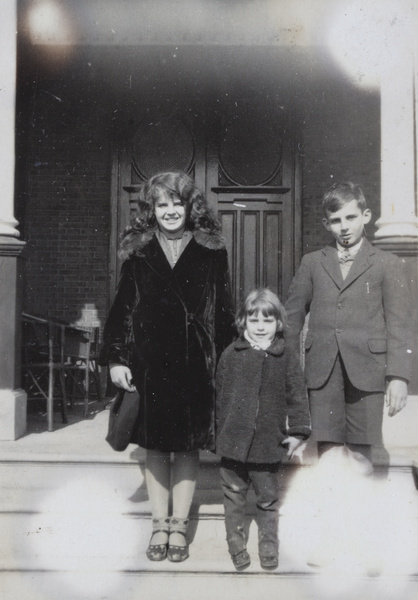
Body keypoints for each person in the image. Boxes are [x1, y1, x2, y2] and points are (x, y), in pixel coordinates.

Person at [99, 171, 235, 563]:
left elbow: (223, 310)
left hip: (196, 364)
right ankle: (159, 522)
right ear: (151, 210)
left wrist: (224, 361)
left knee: (188, 446)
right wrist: (116, 358)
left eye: (177, 203)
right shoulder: (139, 252)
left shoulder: (211, 251)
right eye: (162, 204)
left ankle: (179, 524)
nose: (170, 211)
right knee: (156, 445)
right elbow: (122, 309)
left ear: (190, 207)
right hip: (149, 363)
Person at [285, 181, 413, 475]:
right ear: (326, 224)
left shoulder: (387, 264)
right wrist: (287, 370)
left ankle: (357, 516)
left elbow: (400, 325)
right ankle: (333, 517)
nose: (344, 226)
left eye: (350, 217)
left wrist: (398, 376)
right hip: (322, 371)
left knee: (361, 454)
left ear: (366, 216)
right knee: (329, 454)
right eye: (335, 220)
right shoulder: (312, 263)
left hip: (368, 372)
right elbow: (292, 317)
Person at [215, 288, 311, 571]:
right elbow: (220, 396)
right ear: (243, 321)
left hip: (268, 443)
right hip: (233, 442)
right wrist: (218, 434)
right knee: (233, 497)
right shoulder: (232, 355)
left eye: (267, 321)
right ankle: (235, 542)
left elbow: (297, 395)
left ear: (278, 323)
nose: (260, 327)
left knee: (268, 499)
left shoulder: (286, 356)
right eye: (254, 320)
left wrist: (298, 432)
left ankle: (268, 543)